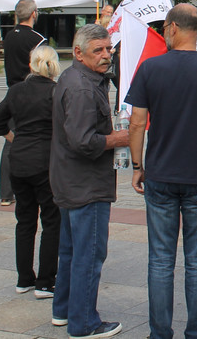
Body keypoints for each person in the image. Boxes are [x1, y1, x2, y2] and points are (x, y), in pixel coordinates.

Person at [125, 4, 197, 339]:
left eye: (163, 27)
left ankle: (159, 332)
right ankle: (196, 332)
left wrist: (137, 166)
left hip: (160, 173)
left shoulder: (150, 68)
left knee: (160, 259)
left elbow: (136, 123)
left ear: (173, 28)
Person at [50, 23, 130, 339]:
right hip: (85, 183)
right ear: (79, 53)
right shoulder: (82, 86)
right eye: (98, 50)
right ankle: (83, 322)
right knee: (89, 254)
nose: (106, 55)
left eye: (108, 48)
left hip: (72, 179)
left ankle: (64, 310)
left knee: (71, 250)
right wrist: (117, 139)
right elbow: (83, 141)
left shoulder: (76, 78)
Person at [0, 44, 60, 298]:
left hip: (19, 160)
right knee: (52, 220)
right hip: (46, 161)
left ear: (30, 64)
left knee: (25, 220)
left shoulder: (17, 90)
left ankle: (24, 278)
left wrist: (14, 138)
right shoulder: (56, 91)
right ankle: (46, 280)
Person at [0, 0, 47, 207]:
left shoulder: (9, 36)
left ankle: (6, 193)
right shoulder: (37, 39)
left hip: (12, 91)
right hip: (31, 91)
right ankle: (36, 186)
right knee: (34, 137)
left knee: (10, 142)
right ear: (34, 13)